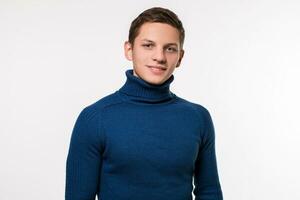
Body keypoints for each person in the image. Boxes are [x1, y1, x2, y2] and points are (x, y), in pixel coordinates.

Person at [65, 6, 223, 200]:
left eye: (170, 48)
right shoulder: (95, 118)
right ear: (129, 50)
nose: (159, 57)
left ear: (180, 57)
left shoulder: (198, 117)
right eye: (148, 45)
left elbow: (209, 192)